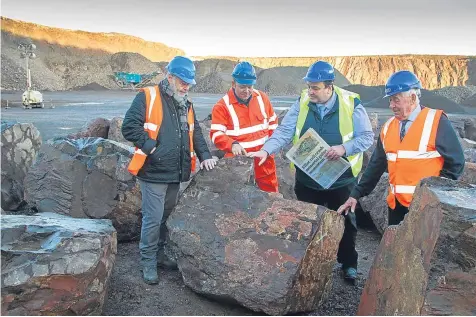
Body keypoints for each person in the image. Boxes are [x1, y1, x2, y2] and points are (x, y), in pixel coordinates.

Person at [248, 60, 374, 283]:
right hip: (307, 178)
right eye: (309, 86)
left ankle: (348, 263)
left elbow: (366, 138)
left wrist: (344, 148)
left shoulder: (351, 104)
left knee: (346, 222)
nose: (310, 91)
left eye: (315, 88)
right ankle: (306, 265)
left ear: (329, 87)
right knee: (305, 223)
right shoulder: (303, 101)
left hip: (340, 179)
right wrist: (265, 151)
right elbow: (285, 131)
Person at [122, 56, 216, 285]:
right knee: (152, 219)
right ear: (169, 76)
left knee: (165, 217)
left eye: (188, 83)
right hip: (154, 171)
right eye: (182, 81)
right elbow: (129, 127)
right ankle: (147, 261)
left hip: (176, 172)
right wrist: (152, 148)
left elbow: (195, 133)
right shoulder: (147, 96)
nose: (185, 86)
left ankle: (160, 255)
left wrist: (205, 156)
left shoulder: (185, 102)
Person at [337, 70, 465, 226]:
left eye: (395, 100)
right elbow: (375, 167)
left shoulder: (437, 121)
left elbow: (456, 163)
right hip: (395, 208)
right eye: (390, 100)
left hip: (425, 209)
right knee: (395, 249)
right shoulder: (388, 127)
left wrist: (436, 196)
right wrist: (355, 195)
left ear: (412, 98)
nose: (391, 105)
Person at [209, 61, 279, 192]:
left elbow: (273, 124)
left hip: (264, 160)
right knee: (237, 202)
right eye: (242, 87)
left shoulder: (262, 98)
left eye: (250, 86)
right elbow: (216, 134)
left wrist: (269, 148)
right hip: (238, 165)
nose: (247, 91)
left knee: (271, 197)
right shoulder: (222, 106)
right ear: (233, 83)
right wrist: (232, 144)